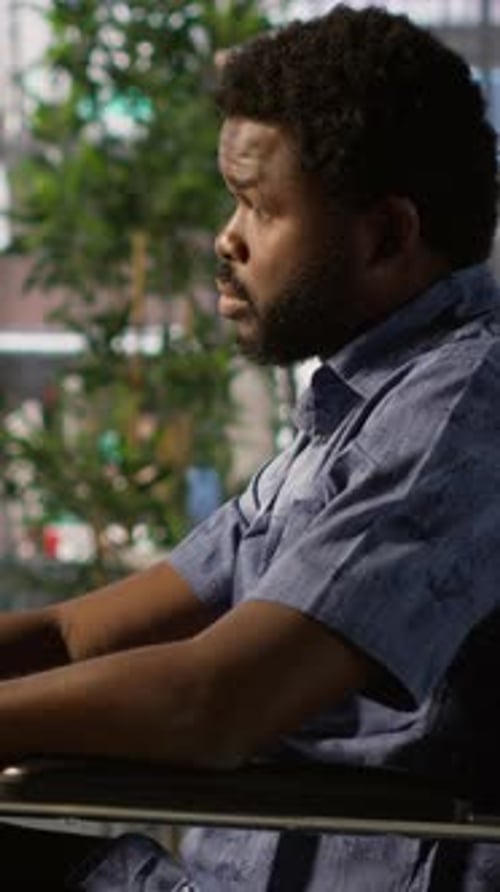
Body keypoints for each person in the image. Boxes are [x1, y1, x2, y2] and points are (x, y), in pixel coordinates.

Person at [1, 3, 500, 889]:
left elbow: (211, 702)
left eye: (259, 207)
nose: (226, 239)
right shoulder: (354, 412)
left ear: (387, 234)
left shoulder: (463, 411)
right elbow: (78, 635)